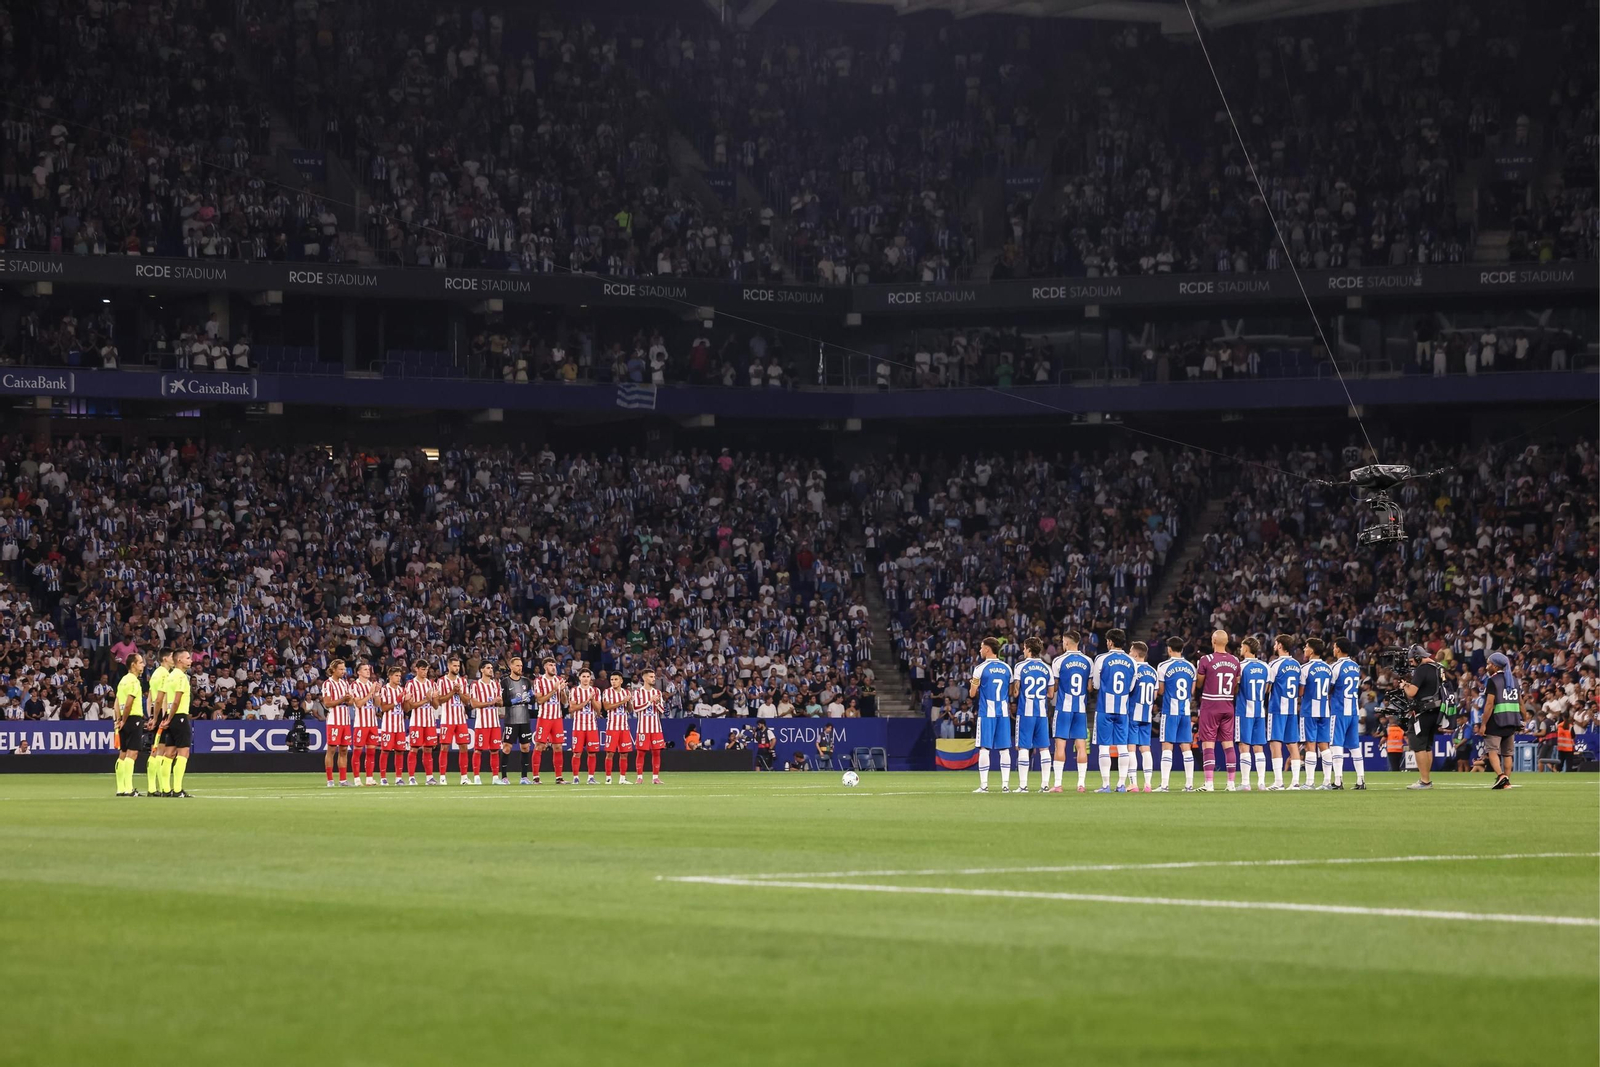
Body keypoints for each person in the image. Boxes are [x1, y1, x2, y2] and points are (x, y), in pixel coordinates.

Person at [1091, 628, 1138, 793]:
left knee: (1104, 746)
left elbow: (1096, 684)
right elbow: (1131, 687)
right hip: (1123, 709)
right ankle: (1121, 784)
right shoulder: (1132, 661)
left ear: (1110, 642)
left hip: (1104, 707)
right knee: (1122, 747)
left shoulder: (1102, 659)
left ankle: (1106, 785)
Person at [1194, 630, 1241, 790]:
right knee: (1228, 745)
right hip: (1228, 705)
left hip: (1211, 705)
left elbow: (1199, 684)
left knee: (1208, 745)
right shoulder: (1235, 661)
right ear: (1226, 642)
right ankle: (1231, 783)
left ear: (1213, 641)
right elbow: (1236, 686)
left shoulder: (1206, 659)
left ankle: (1209, 783)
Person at [1048, 630, 1093, 793]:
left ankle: (1058, 784)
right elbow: (1090, 687)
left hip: (1063, 709)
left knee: (1060, 746)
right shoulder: (1088, 661)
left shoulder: (1058, 661)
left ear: (1066, 642)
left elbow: (1055, 686)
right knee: (1081, 746)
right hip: (1080, 709)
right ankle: (1081, 784)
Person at [969, 636, 1013, 793]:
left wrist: (974, 685)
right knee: (1004, 749)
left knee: (984, 748)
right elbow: (1010, 691)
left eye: (982, 647)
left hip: (987, 712)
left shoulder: (980, 668)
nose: (980, 650)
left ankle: (984, 785)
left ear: (987, 649)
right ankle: (1005, 785)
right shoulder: (1007, 668)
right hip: (1003, 712)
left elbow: (972, 694)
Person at [1010, 637, 1053, 793]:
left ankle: (1023, 786)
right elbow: (1050, 694)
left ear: (1028, 649)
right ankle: (1045, 785)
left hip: (1025, 713)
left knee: (1023, 747)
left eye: (1024, 647)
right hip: (1041, 713)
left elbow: (1015, 693)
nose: (1023, 650)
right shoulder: (1047, 668)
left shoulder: (1020, 666)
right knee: (1044, 748)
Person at [1156, 638, 1197, 792]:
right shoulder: (1191, 667)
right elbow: (1192, 691)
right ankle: (1189, 784)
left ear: (1169, 649)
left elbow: (1161, 690)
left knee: (1167, 746)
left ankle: (1164, 785)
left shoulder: (1163, 666)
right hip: (1185, 711)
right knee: (1186, 746)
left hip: (1170, 711)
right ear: (1182, 649)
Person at [1401, 644, 1445, 789]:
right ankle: (1426, 778)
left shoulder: (1422, 669)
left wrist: (1404, 686)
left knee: (1418, 745)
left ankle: (1425, 781)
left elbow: (1412, 692)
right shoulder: (1438, 667)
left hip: (1423, 711)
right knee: (1427, 746)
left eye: (1412, 661)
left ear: (1418, 657)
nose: (1412, 664)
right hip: (1436, 711)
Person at [1478, 652, 1523, 789]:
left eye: (1489, 664)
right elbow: (1520, 703)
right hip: (1511, 721)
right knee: (1507, 754)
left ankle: (1501, 776)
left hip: (1496, 721)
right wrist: (1523, 719)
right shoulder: (1514, 680)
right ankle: (1506, 782)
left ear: (1495, 666)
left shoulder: (1493, 681)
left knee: (1492, 751)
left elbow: (1489, 704)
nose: (1487, 667)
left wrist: (1483, 724)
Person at [1265, 635, 1303, 790]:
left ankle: (1279, 782)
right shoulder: (1297, 665)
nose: (1274, 646)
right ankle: (1295, 782)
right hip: (1292, 710)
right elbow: (1300, 688)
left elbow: (1267, 688)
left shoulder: (1275, 664)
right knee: (1293, 744)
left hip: (1277, 709)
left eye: (1276, 644)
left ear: (1280, 645)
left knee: (1275, 743)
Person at [1329, 638, 1366, 789]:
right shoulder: (1355, 666)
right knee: (1354, 746)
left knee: (1336, 744)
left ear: (1338, 649)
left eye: (1334, 647)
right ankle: (1361, 780)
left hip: (1339, 710)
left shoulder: (1335, 667)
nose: (1333, 649)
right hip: (1353, 711)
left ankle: (1338, 781)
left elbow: (1329, 688)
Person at [1235, 637, 1270, 790]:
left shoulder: (1240, 666)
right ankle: (1261, 782)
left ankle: (1245, 783)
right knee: (1258, 747)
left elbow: (1235, 688)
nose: (1240, 649)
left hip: (1244, 711)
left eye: (1242, 646)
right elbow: (1267, 689)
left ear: (1247, 648)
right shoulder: (1266, 667)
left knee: (1244, 746)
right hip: (1260, 711)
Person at [1299, 639, 1335, 789]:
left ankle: (1309, 782)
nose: (1304, 649)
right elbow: (1330, 688)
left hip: (1309, 710)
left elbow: (1301, 692)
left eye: (1306, 647)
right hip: (1324, 710)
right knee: (1324, 745)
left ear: (1312, 651)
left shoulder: (1305, 668)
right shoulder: (1329, 668)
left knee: (1310, 745)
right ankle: (1327, 782)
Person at [160, 650, 195, 798]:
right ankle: (178, 789)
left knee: (169, 753)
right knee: (183, 752)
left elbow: (165, 699)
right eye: (187, 658)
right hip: (179, 716)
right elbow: (176, 700)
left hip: (171, 716)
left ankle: (165, 789)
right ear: (179, 660)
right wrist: (170, 718)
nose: (190, 660)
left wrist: (166, 717)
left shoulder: (170, 676)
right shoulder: (181, 676)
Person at [435, 655, 472, 785]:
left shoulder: (463, 681)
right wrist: (452, 692)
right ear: (449, 666)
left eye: (458, 666)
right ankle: (442, 777)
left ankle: (464, 777)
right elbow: (439, 701)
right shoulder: (441, 681)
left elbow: (467, 701)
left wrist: (459, 692)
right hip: (447, 719)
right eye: (454, 666)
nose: (457, 668)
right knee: (444, 747)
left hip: (461, 719)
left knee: (464, 747)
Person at [112, 653, 145, 796]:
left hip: (123, 719)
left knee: (123, 753)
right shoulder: (134, 681)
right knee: (132, 753)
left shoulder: (123, 680)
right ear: (133, 664)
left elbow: (117, 702)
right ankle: (129, 788)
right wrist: (124, 720)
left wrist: (118, 720)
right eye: (140, 662)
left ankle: (121, 788)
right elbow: (128, 703)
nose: (143, 665)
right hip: (132, 718)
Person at [531, 658, 568, 784]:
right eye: (550, 665)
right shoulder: (539, 681)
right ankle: (536, 777)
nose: (553, 667)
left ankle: (559, 777)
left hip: (557, 718)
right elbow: (540, 700)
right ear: (545, 667)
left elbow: (564, 702)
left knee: (558, 747)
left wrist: (562, 691)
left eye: (554, 665)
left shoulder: (560, 679)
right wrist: (554, 690)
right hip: (544, 717)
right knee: (540, 745)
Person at [467, 662, 504, 785]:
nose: (491, 670)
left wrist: (498, 701)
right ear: (481, 670)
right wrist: (491, 702)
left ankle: (495, 778)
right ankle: (476, 777)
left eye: (491, 668)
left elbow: (501, 703)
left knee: (495, 750)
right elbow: (474, 704)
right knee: (478, 750)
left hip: (495, 723)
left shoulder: (496, 684)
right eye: (488, 668)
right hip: (482, 724)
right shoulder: (475, 685)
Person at [1127, 641, 1157, 792]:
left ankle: (1133, 784)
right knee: (1146, 749)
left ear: (1135, 654)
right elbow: (1155, 695)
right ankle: (1148, 784)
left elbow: (1127, 690)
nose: (1128, 653)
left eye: (1130, 651)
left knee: (1131, 749)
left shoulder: (1132, 669)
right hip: (1147, 713)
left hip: (1133, 713)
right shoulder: (1153, 671)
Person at [321, 658, 356, 787]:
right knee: (331, 750)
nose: (343, 671)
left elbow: (350, 703)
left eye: (344, 669)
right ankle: (330, 780)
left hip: (345, 720)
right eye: (341, 669)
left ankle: (343, 780)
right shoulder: (327, 684)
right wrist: (342, 699)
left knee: (344, 750)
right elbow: (327, 703)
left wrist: (350, 699)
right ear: (334, 670)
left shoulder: (345, 683)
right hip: (334, 721)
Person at [403, 661, 438, 785]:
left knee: (428, 749)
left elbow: (436, 706)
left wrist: (433, 698)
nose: (425, 672)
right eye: (423, 669)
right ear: (416, 669)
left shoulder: (431, 684)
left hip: (430, 722)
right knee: (414, 749)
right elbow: (409, 707)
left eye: (426, 669)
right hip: (416, 722)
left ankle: (429, 777)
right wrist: (426, 700)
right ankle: (411, 777)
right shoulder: (410, 684)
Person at [501, 657, 534, 784]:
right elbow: (502, 702)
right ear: (511, 667)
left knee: (525, 747)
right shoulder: (505, 682)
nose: (520, 668)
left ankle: (524, 777)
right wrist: (515, 701)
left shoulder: (526, 681)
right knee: (507, 747)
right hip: (511, 719)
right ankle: (504, 777)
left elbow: (532, 699)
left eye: (521, 666)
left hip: (524, 719)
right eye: (517, 666)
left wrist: (529, 699)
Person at [374, 666, 409, 786]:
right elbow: (383, 708)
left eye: (400, 676)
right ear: (390, 677)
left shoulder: (402, 690)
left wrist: (407, 701)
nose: (399, 678)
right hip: (388, 726)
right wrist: (396, 701)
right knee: (385, 751)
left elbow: (406, 709)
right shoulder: (384, 690)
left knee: (400, 751)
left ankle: (398, 777)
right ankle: (383, 778)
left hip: (400, 727)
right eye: (396, 676)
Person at [145, 650, 173, 796]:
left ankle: (152, 787)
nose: (174, 659)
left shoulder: (155, 673)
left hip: (154, 712)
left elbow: (150, 697)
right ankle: (161, 787)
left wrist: (150, 715)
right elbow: (162, 697)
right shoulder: (164, 674)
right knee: (160, 751)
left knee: (155, 750)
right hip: (162, 712)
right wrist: (163, 716)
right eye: (172, 656)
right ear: (165, 658)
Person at [633, 668, 667, 784]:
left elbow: (662, 710)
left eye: (654, 677)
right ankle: (639, 777)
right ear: (644, 678)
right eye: (651, 677)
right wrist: (649, 701)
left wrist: (656, 703)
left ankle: (655, 777)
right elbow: (636, 708)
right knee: (641, 752)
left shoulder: (657, 692)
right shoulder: (638, 692)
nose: (653, 679)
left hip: (656, 728)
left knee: (656, 752)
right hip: (643, 728)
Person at [350, 662, 380, 786]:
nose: (368, 671)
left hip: (372, 723)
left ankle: (369, 778)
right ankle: (357, 779)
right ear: (358, 672)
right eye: (365, 669)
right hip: (361, 724)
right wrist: (370, 693)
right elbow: (359, 704)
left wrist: (376, 693)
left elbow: (377, 704)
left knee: (371, 752)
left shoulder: (370, 684)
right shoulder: (354, 685)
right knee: (357, 751)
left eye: (368, 669)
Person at [602, 673, 635, 784]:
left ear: (621, 681)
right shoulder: (607, 692)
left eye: (616, 679)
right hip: (612, 727)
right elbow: (607, 707)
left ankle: (622, 778)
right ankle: (608, 778)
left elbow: (630, 710)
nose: (613, 681)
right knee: (610, 753)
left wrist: (629, 701)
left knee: (624, 753)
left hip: (624, 727)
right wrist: (622, 701)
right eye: (612, 679)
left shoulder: (626, 693)